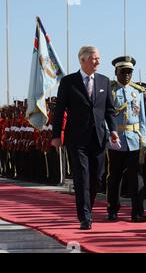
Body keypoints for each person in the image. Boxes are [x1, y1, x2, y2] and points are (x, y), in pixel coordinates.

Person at [51, 46, 119, 230]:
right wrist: (56, 135)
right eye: (94, 58)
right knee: (82, 176)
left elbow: (109, 110)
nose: (98, 61)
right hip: (77, 138)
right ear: (83, 60)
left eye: (98, 58)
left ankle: (88, 206)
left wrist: (113, 130)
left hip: (98, 137)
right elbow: (59, 111)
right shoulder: (68, 82)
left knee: (97, 178)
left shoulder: (104, 82)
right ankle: (85, 216)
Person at [106, 56, 146, 223]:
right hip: (116, 140)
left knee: (136, 178)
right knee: (114, 177)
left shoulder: (137, 92)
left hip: (134, 139)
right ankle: (113, 210)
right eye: (123, 72)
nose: (126, 75)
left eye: (129, 72)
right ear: (116, 72)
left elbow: (142, 118)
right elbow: (105, 116)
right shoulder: (110, 91)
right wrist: (107, 137)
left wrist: (143, 139)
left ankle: (137, 212)